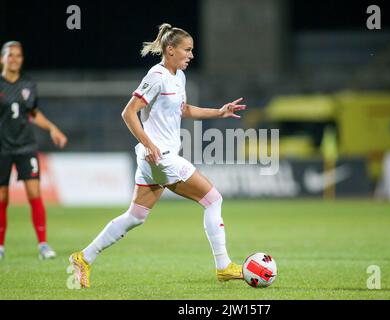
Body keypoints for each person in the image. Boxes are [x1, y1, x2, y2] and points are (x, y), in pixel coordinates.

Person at [69, 23, 246, 288]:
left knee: (136, 216)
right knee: (213, 199)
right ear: (170, 49)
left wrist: (219, 112)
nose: (191, 55)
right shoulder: (157, 75)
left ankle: (84, 257)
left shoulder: (179, 77)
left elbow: (183, 109)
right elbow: (128, 112)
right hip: (160, 157)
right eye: (187, 50)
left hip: (153, 160)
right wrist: (149, 143)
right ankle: (223, 266)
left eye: (192, 50)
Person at [0, 41, 68, 260]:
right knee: (2, 197)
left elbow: (32, 113)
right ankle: (0, 246)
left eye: (18, 55)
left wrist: (52, 128)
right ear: (2, 58)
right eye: (10, 55)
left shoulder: (28, 83)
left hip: (26, 146)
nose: (15, 59)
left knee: (34, 193)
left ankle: (43, 245)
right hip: (2, 148)